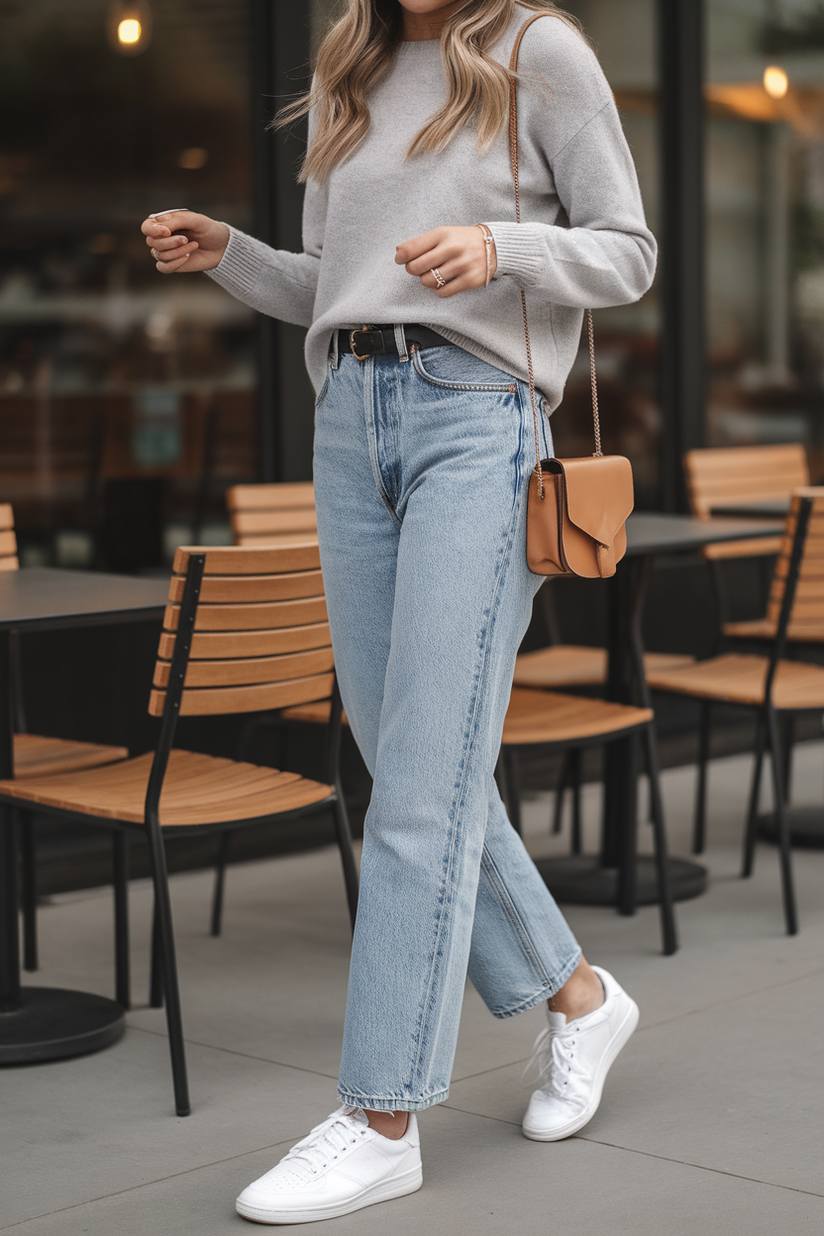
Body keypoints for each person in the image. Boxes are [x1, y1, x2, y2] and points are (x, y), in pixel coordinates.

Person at [142, 0, 656, 1223]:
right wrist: (230, 251)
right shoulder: (348, 67)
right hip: (349, 420)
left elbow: (626, 253)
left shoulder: (541, 52)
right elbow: (334, 282)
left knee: (420, 788)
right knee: (410, 764)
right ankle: (577, 997)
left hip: (477, 419)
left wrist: (502, 250)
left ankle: (380, 1116)